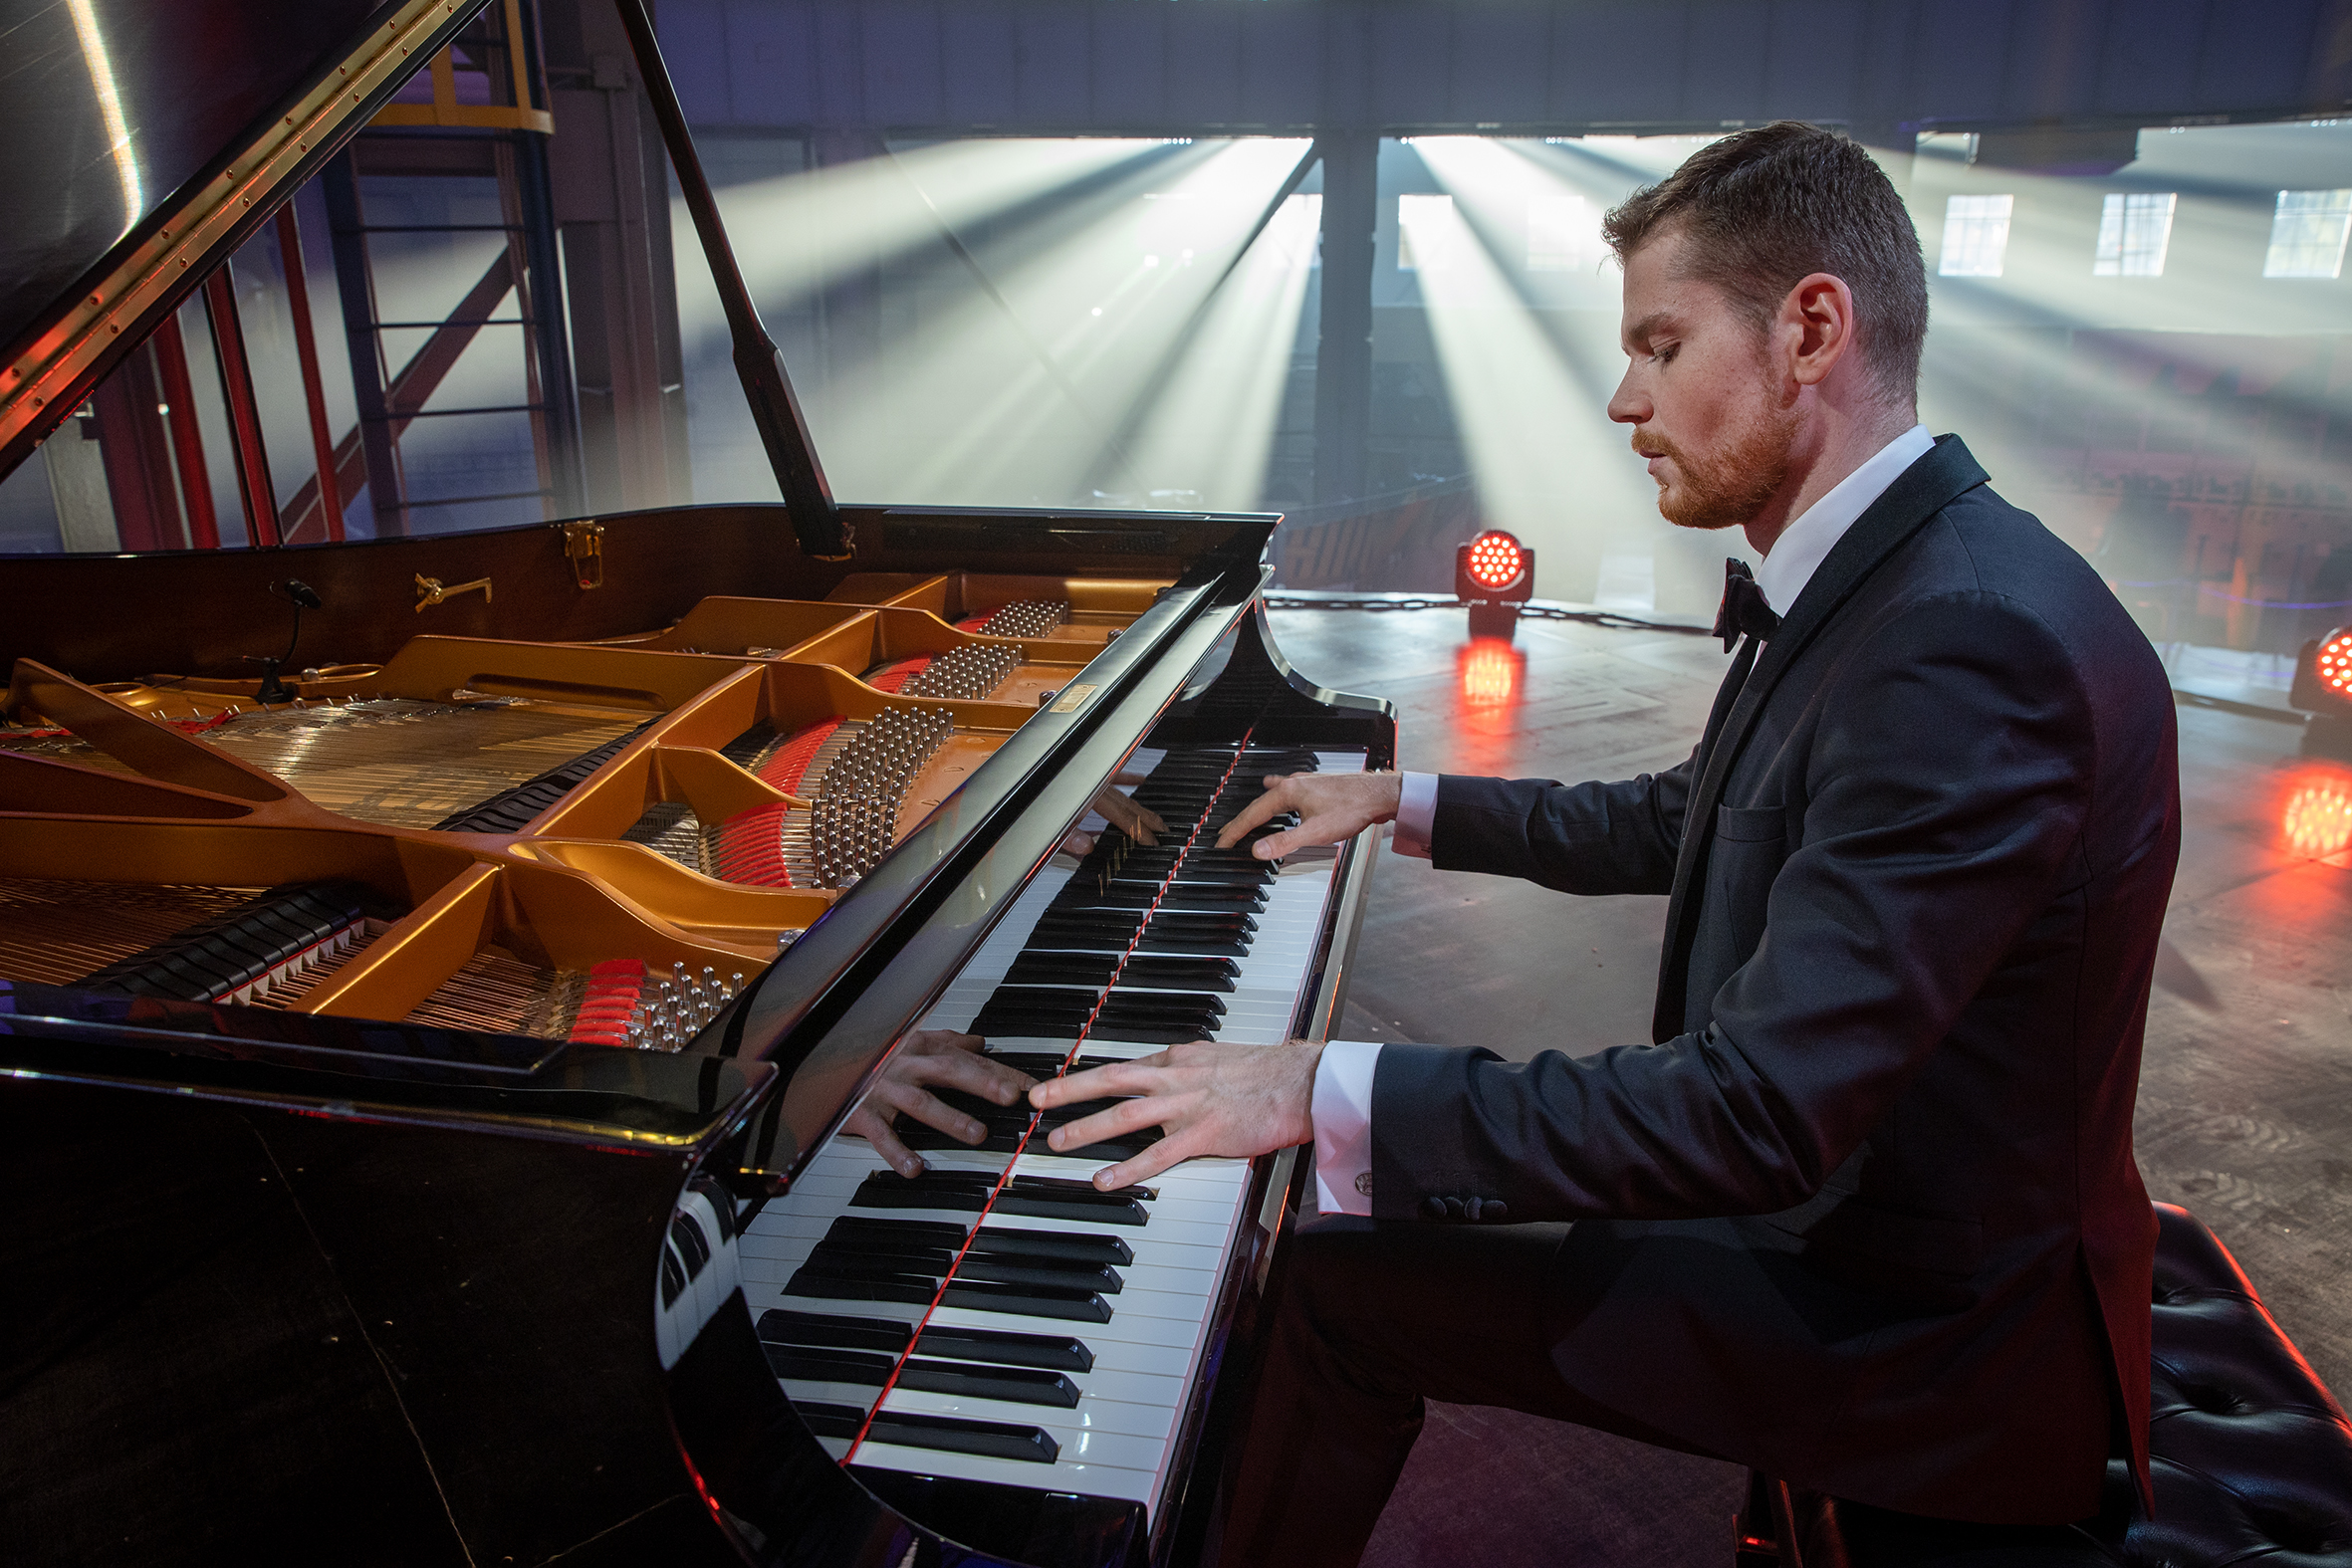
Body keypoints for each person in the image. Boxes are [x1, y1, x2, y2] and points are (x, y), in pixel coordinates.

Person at [1012, 121, 2182, 1560]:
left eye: (1661, 346)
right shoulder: (1899, 579)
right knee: (1347, 1230)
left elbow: (1756, 1112)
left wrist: (1318, 1085)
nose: (1625, 399)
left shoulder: (1963, 641)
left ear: (1812, 330)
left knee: (1331, 1285)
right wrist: (1401, 803)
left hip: (1922, 1333)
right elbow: (1695, 814)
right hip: (1856, 1232)